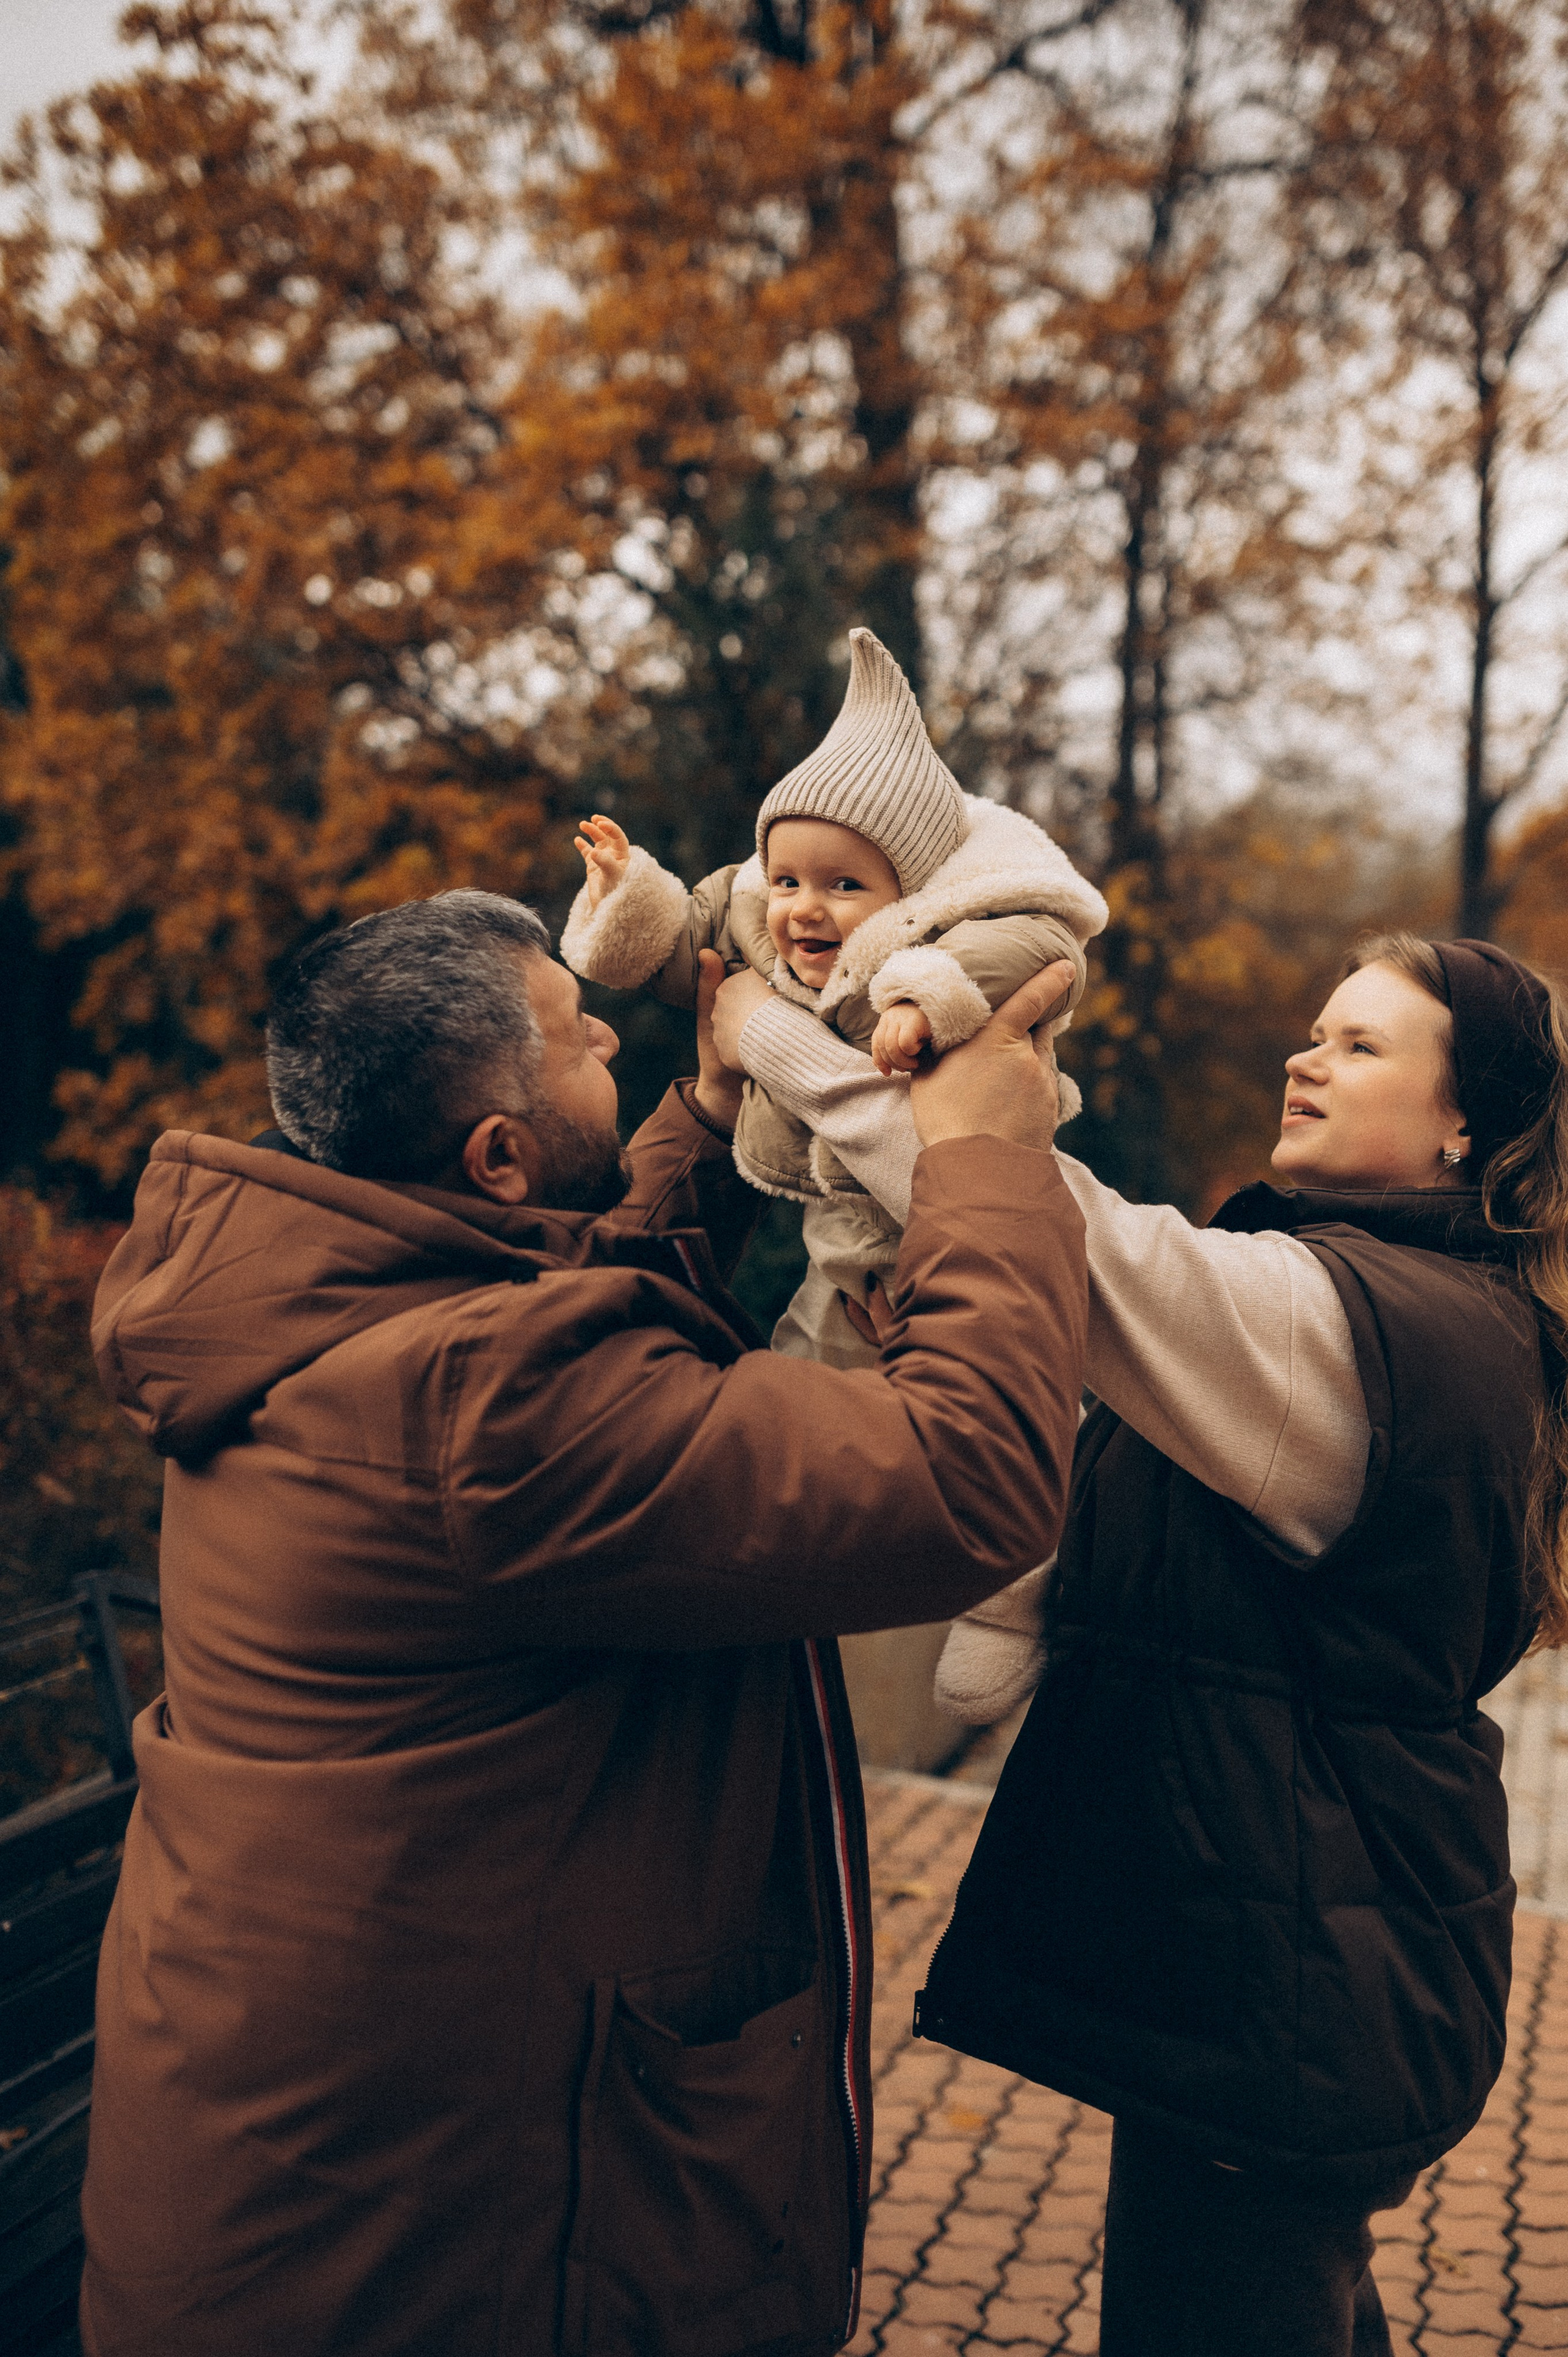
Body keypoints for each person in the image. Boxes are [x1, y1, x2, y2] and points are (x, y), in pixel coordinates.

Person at [78, 886, 1087, 2357]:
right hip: (427, 2250)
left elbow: (565, 1290)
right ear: (496, 1153)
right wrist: (985, 1159)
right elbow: (966, 1474)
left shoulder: (323, 1306)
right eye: (573, 1033)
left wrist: (699, 1111)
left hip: (287, 2178)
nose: (609, 1022)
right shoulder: (482, 1402)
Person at [710, 931, 1566, 2356]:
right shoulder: (1379, 1298)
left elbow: (1049, 1226)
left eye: (1359, 1045)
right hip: (1304, 1961)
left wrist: (768, 1030)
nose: (1305, 1054)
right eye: (1313, 1026)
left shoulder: (1350, 1324)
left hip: (1294, 1986)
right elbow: (1074, 1432)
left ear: (1463, 1122)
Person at [562, 627, 1106, 1359]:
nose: (804, 907)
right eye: (787, 879)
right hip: (841, 1215)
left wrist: (924, 998)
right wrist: (628, 895)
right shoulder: (754, 914)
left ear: (909, 891)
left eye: (843, 885)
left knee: (962, 1353)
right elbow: (684, 950)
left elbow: (1032, 946)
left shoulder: (950, 927)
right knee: (813, 1346)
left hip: (941, 1201)